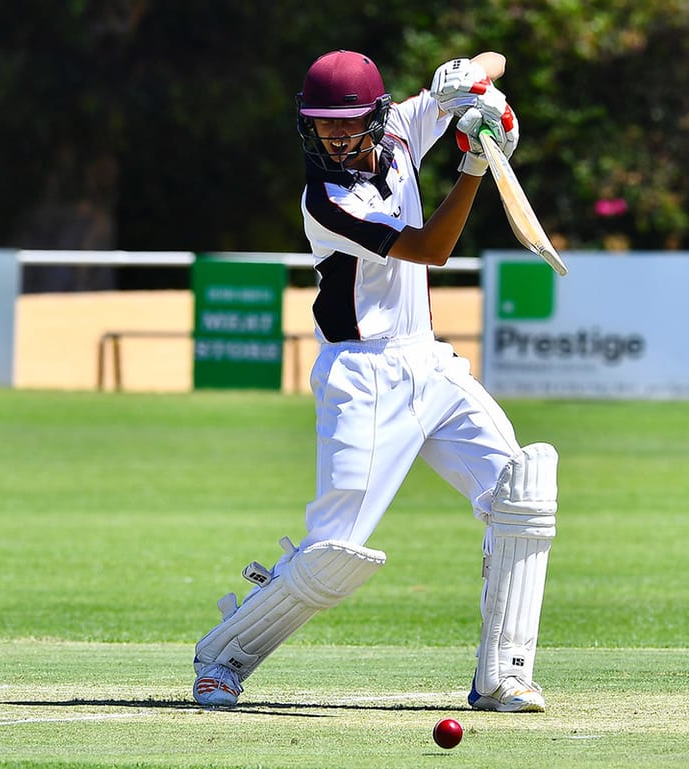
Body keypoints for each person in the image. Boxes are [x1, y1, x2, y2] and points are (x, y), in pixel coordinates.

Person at [191, 50, 558, 713]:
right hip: (362, 379)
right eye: (321, 123)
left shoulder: (401, 130)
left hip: (429, 363)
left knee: (521, 492)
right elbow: (431, 248)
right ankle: (222, 656)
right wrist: (476, 162)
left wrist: (466, 81)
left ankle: (503, 674)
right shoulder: (325, 199)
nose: (333, 134)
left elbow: (495, 63)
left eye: (346, 121)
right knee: (334, 554)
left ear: (377, 115)